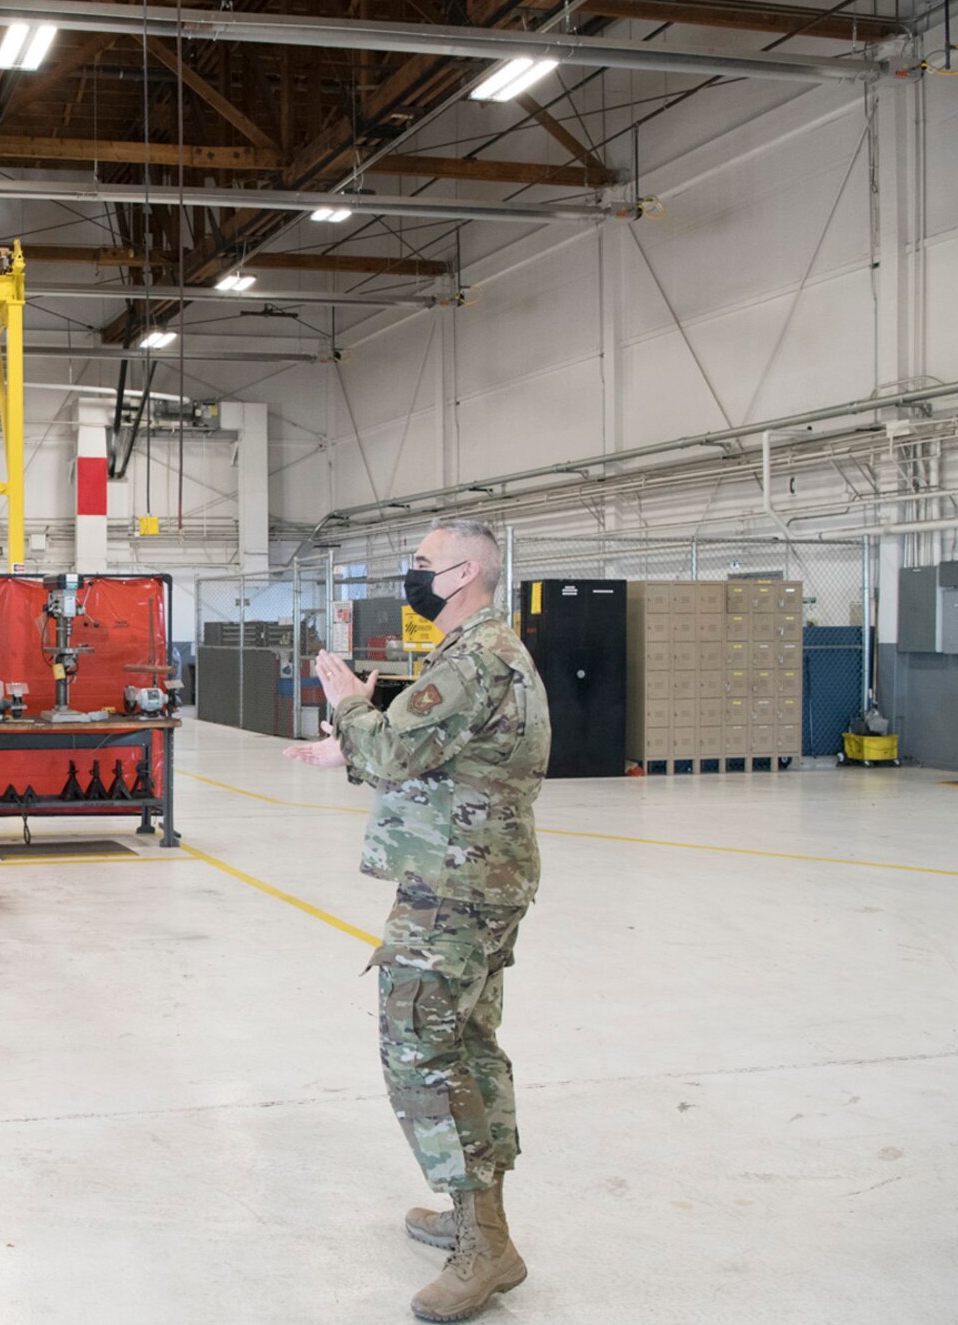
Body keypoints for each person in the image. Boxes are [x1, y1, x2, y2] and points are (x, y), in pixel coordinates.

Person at [286, 518, 551, 1323]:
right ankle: (483, 1220)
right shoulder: (490, 651)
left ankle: (486, 1247)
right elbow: (424, 747)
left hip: (455, 890)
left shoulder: (472, 659)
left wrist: (348, 711)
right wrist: (355, 743)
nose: (413, 575)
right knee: (466, 1044)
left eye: (422, 564)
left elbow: (396, 752)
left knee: (422, 1050)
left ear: (464, 573)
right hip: (478, 879)